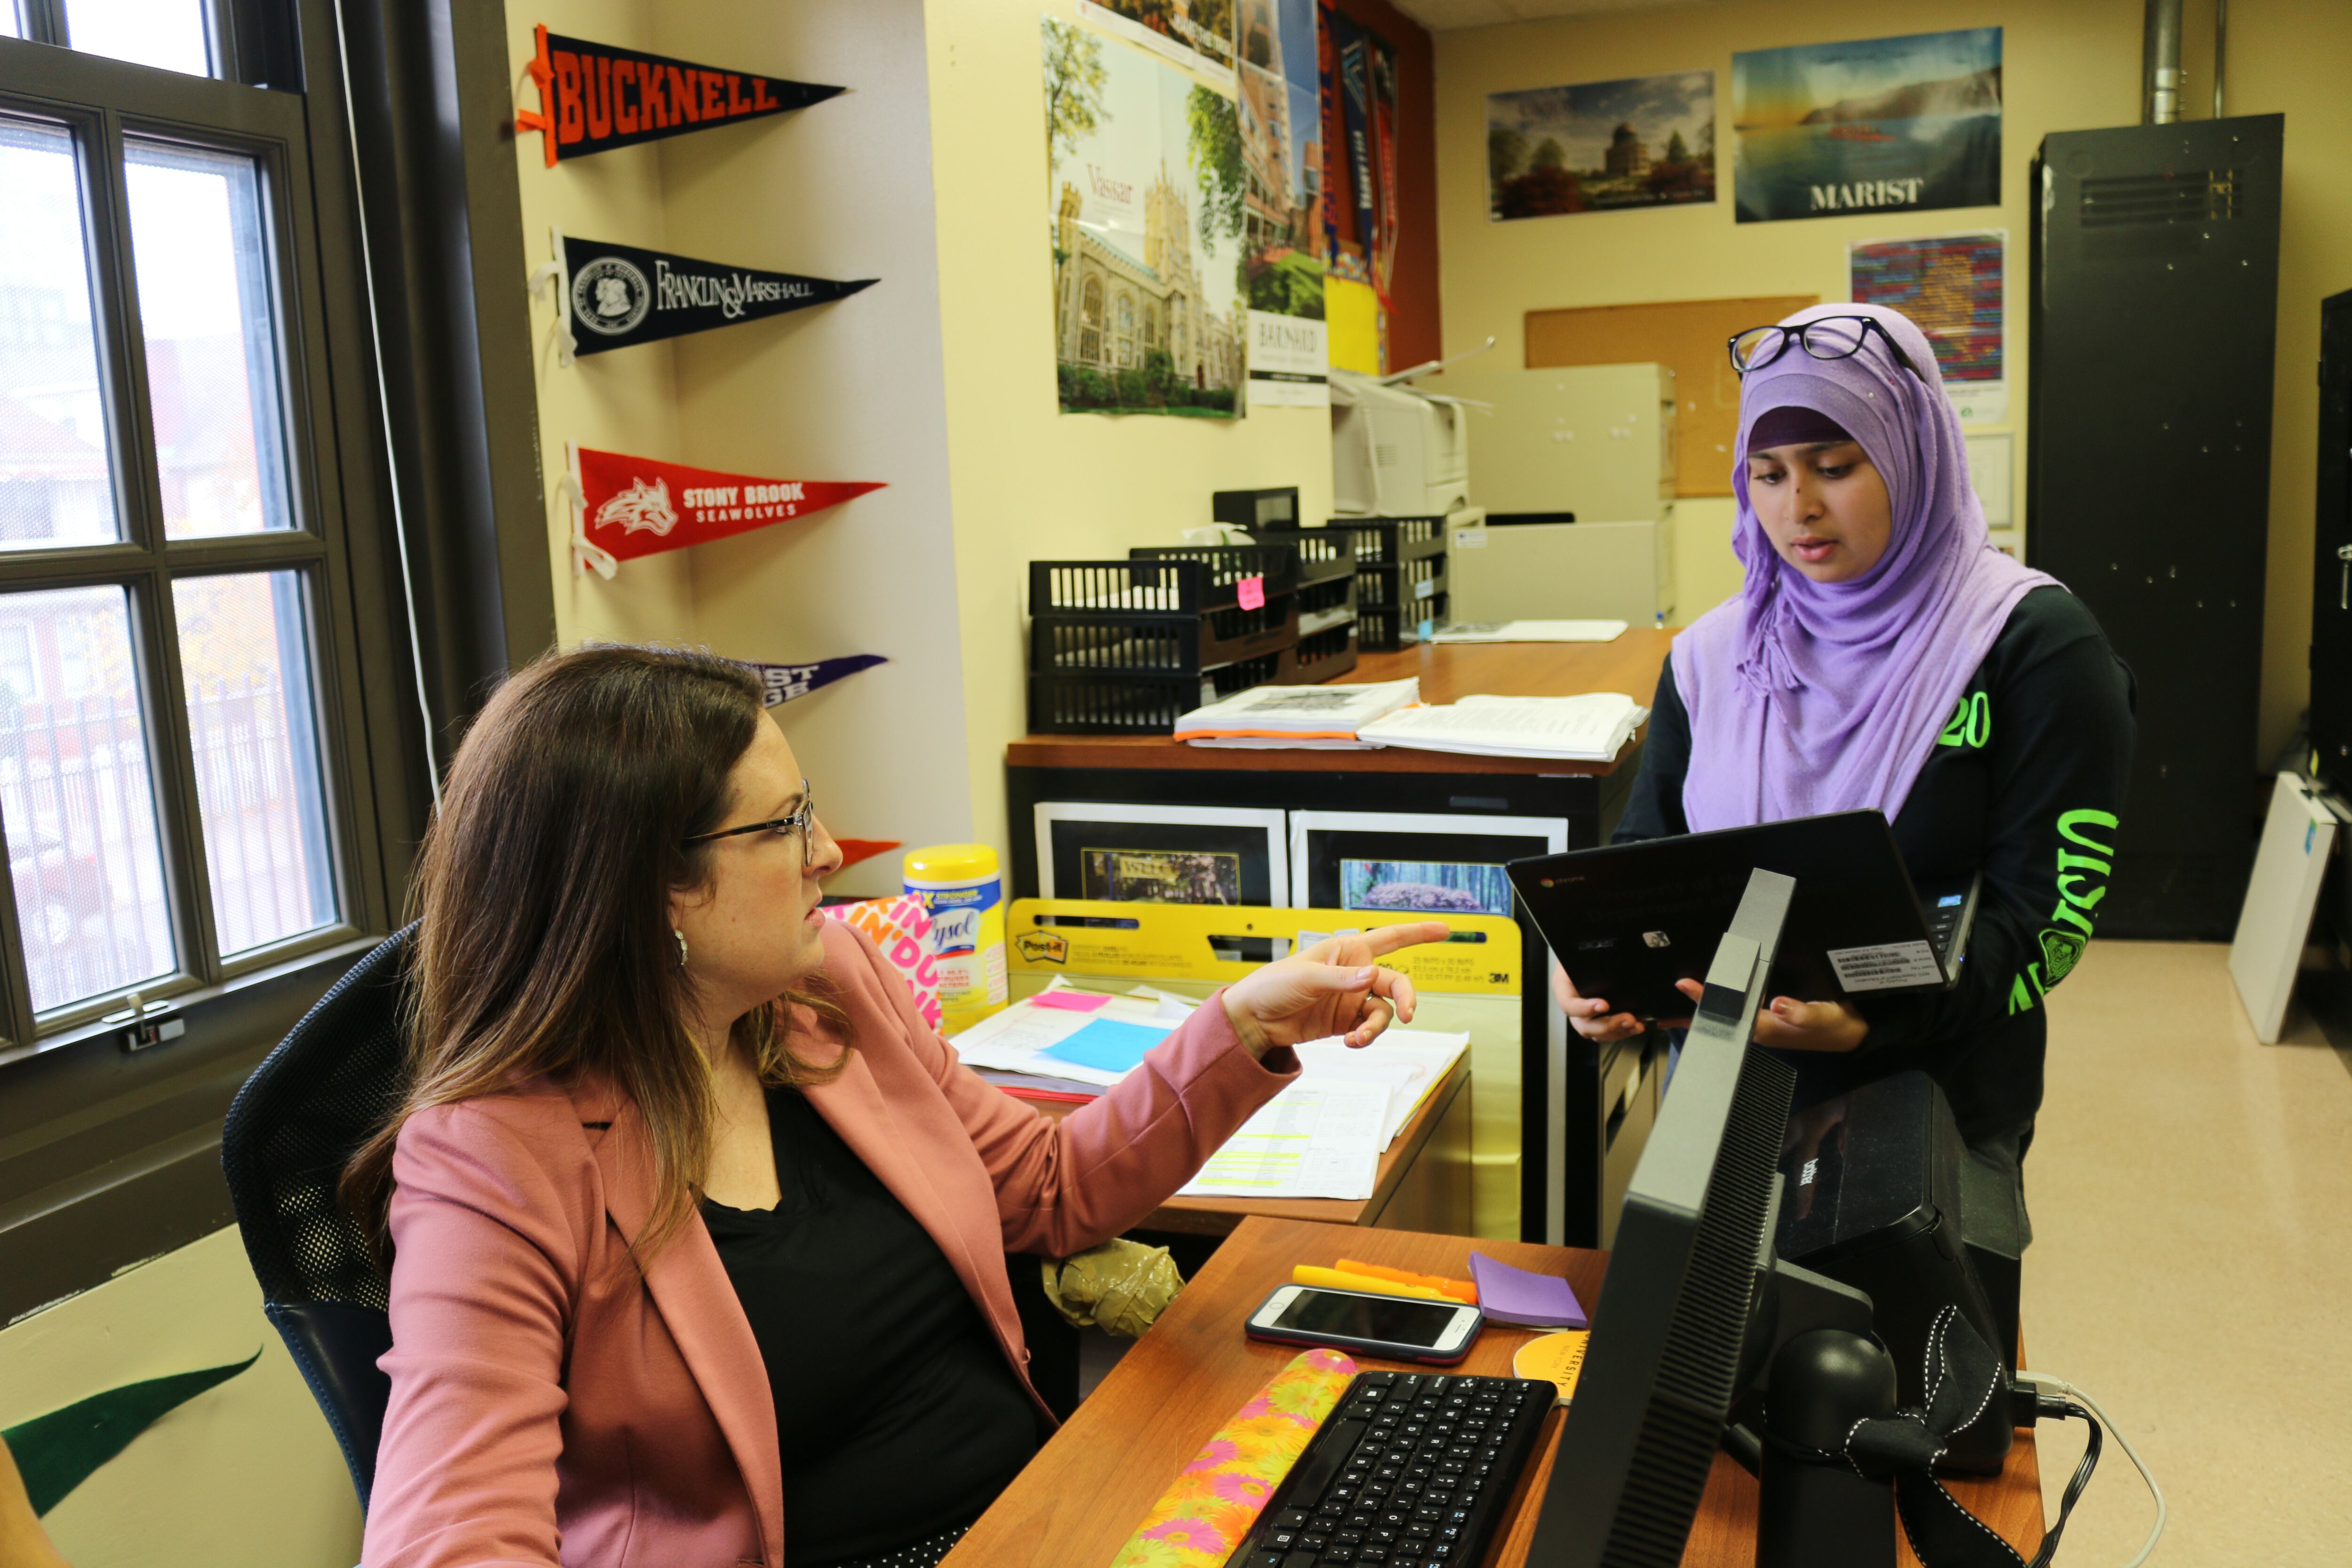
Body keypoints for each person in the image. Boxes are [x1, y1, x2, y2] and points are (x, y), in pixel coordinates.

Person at [345, 645, 1448, 1568]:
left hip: (1043, 1513)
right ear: (649, 886)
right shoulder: (491, 1157)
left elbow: (1050, 1189)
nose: (829, 852)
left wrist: (1247, 1020)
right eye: (784, 824)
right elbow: (449, 1532)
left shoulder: (825, 988)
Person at [1551, 302, 2134, 1280]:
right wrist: (1602, 969)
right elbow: (1649, 851)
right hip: (1729, 1089)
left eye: (1834, 465)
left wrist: (1875, 1022)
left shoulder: (2035, 646)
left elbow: (2046, 917)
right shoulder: (1710, 658)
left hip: (1929, 1099)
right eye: (1768, 475)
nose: (1797, 510)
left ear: (1910, 454)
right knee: (1716, 1384)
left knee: (1910, 1396)